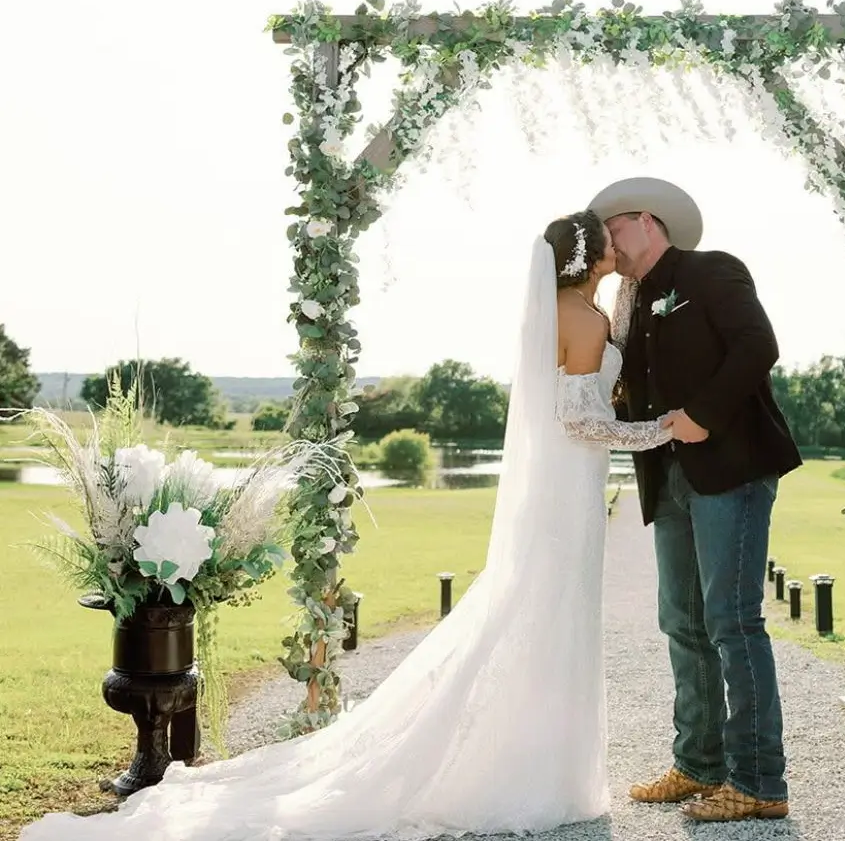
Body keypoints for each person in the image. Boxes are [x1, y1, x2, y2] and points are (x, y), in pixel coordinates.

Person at [19, 212, 674, 841]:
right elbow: (580, 422)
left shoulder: (576, 311)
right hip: (568, 485)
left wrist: (629, 291)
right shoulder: (577, 317)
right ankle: (536, 770)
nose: (620, 245)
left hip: (564, 487)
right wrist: (661, 430)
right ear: (590, 255)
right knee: (551, 614)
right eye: (610, 240)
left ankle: (537, 757)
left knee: (547, 614)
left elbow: (598, 365)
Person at [589, 177, 802, 822]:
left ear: (648, 222)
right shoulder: (627, 304)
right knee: (681, 621)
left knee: (732, 622)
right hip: (665, 477)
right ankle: (699, 764)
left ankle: (761, 783)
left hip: (730, 468)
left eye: (613, 229)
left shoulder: (712, 270)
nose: (608, 243)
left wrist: (705, 413)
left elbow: (756, 347)